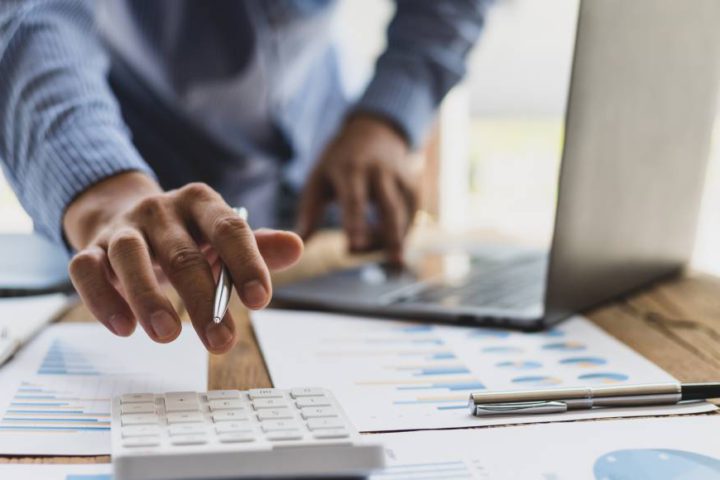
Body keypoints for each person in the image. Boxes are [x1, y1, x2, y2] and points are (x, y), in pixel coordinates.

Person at [0, 0, 487, 353]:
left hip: (326, 175)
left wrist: (386, 116)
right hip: (137, 204)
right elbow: (32, 16)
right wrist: (102, 187)